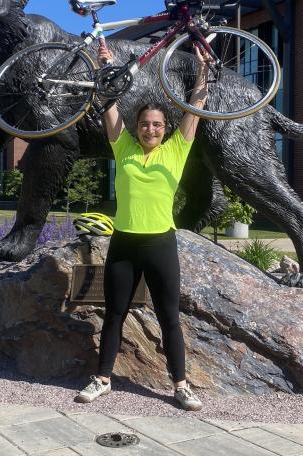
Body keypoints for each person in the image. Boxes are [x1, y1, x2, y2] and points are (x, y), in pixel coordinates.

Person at [75, 42, 212, 411]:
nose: (150, 128)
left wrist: (202, 71)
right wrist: (105, 66)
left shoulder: (177, 149)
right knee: (115, 315)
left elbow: (195, 106)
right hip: (124, 245)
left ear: (165, 128)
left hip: (160, 245)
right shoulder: (125, 149)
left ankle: (180, 386)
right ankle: (102, 379)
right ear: (136, 128)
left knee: (169, 318)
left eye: (157, 124)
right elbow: (108, 104)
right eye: (145, 124)